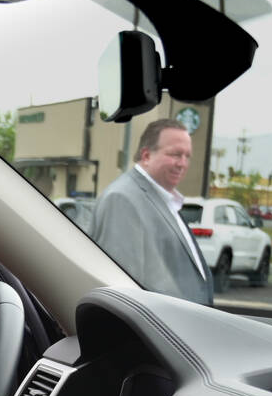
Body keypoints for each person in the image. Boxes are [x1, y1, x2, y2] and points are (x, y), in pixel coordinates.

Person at [90, 119, 214, 304]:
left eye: (187, 156)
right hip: (161, 327)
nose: (182, 163)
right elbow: (123, 290)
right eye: (175, 154)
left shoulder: (165, 199)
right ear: (146, 156)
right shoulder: (122, 199)